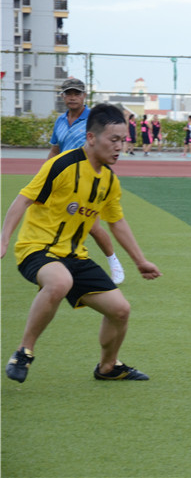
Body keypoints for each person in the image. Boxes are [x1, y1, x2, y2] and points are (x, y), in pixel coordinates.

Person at [1, 103, 162, 383]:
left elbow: (116, 222)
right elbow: (24, 199)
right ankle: (23, 352)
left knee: (120, 310)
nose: (119, 147)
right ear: (91, 138)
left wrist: (140, 261)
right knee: (59, 281)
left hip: (76, 257)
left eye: (123, 140)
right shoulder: (62, 164)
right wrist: (3, 239)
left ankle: (108, 367)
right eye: (113, 140)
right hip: (37, 249)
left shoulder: (109, 179)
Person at [46, 78, 125, 285]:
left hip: (88, 179)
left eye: (77, 93)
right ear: (63, 96)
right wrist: (46, 174)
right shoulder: (60, 121)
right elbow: (55, 150)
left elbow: (107, 144)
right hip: (64, 179)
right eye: (68, 93)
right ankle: (58, 263)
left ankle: (114, 262)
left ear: (84, 96)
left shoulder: (94, 120)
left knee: (92, 226)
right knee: (57, 221)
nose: (72, 97)